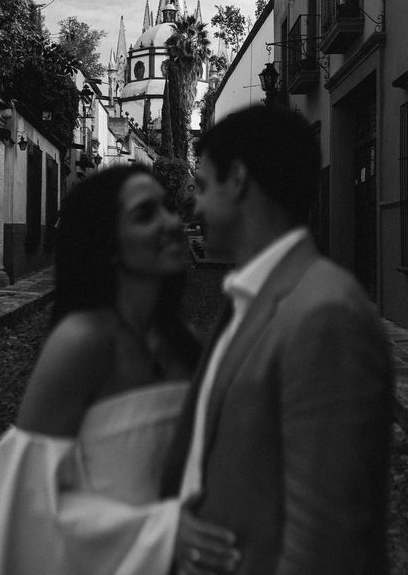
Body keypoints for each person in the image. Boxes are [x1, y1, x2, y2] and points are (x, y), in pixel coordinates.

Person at [0, 165, 238, 575]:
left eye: (168, 208)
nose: (172, 222)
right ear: (108, 245)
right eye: (145, 214)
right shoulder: (83, 342)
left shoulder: (188, 344)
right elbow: (30, 504)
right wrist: (160, 533)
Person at [161, 104, 393, 575]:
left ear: (240, 179)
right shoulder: (248, 297)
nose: (196, 206)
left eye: (203, 187)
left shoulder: (325, 314)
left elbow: (324, 547)